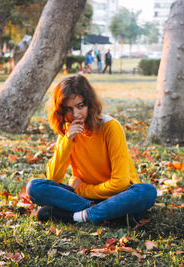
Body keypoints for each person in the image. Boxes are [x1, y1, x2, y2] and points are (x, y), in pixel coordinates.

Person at [26, 75, 157, 226]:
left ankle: (77, 216)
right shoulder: (69, 130)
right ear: (61, 111)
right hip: (83, 200)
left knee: (146, 191)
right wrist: (68, 140)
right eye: (69, 109)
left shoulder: (110, 127)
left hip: (118, 196)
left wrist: (82, 189)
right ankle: (102, 214)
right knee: (35, 187)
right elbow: (53, 178)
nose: (75, 114)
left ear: (90, 104)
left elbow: (120, 183)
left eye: (80, 106)